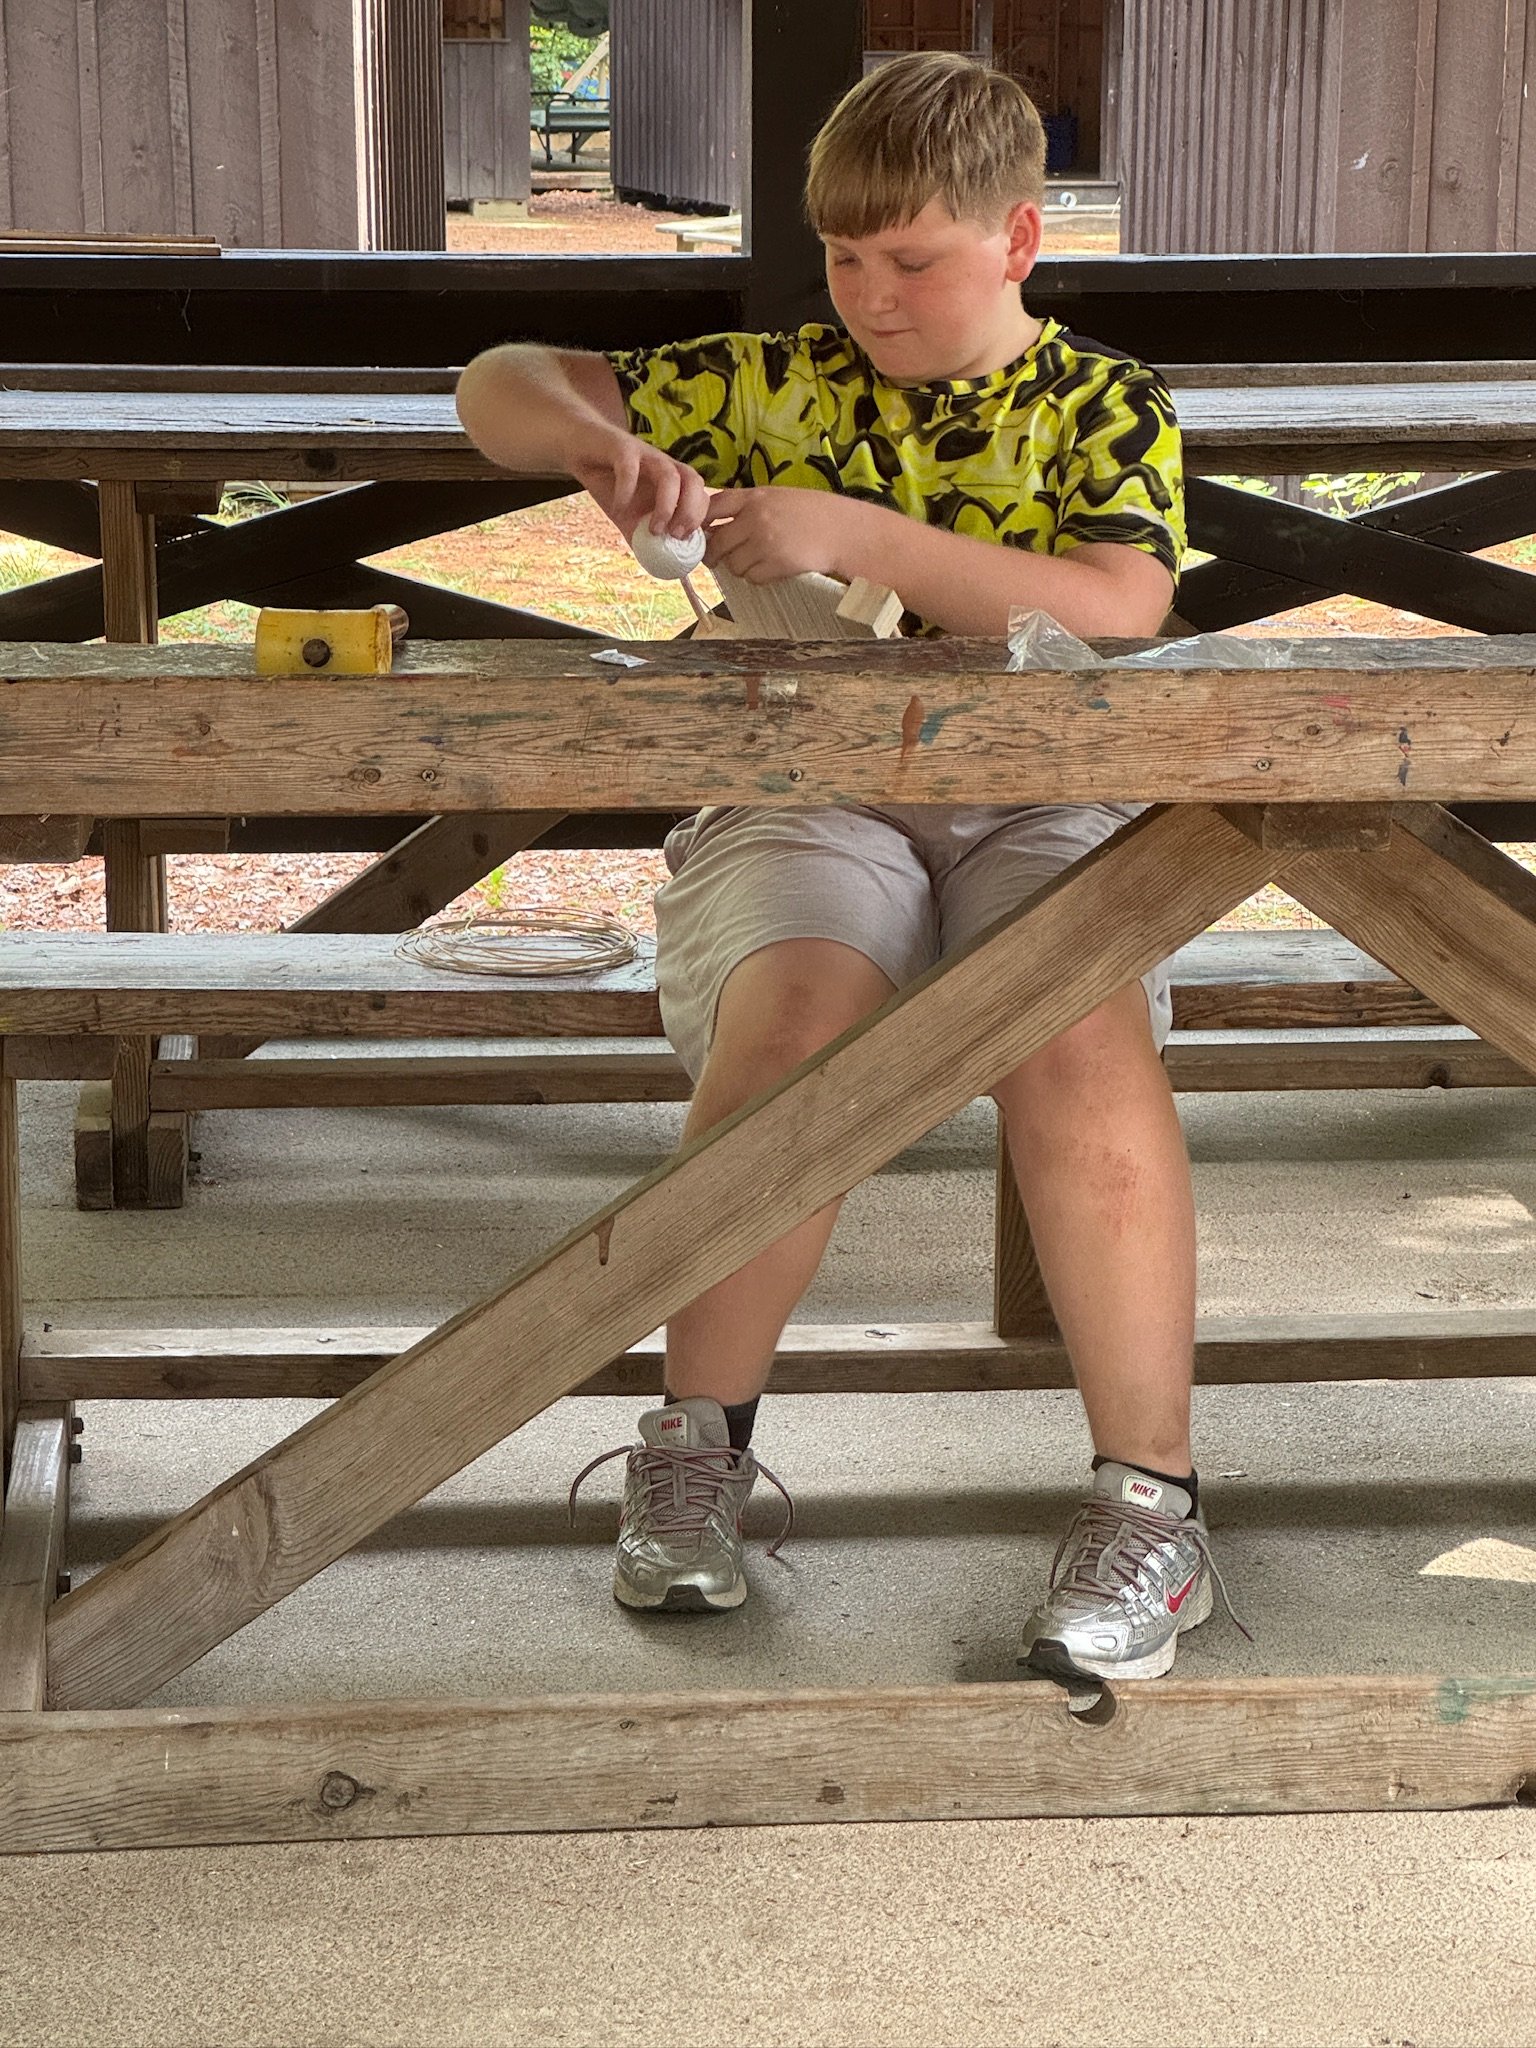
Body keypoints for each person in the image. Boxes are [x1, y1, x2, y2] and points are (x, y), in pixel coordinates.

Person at [456, 51, 1220, 1684]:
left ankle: (1152, 1505)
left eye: (915, 261)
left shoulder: (1105, 399)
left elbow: (1118, 609)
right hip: (803, 787)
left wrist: (853, 535)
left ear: (1020, 238)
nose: (872, 298)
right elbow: (500, 376)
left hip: (1055, 796)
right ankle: (695, 1456)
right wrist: (603, 447)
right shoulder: (768, 374)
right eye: (845, 259)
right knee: (788, 1033)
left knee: (1080, 1041)